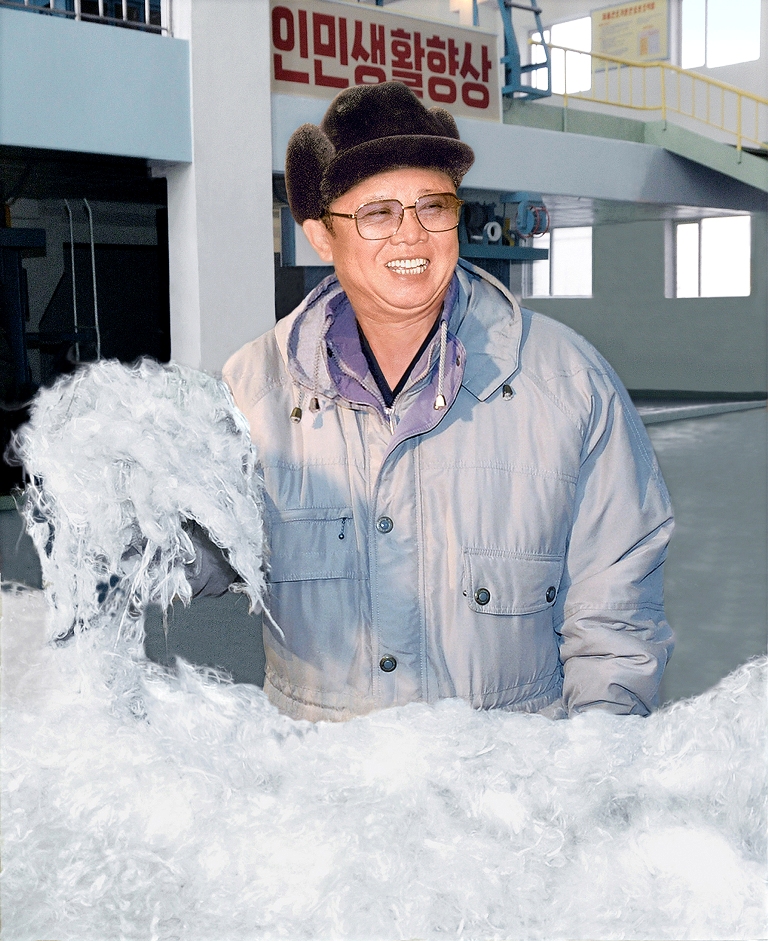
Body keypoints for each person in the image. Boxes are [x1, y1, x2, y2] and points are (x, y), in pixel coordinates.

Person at [212, 81, 674, 722]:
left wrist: (597, 757)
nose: (412, 235)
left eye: (433, 206)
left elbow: (616, 615)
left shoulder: (568, 385)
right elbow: (197, 550)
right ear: (321, 235)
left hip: (509, 775)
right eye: (378, 214)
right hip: (322, 777)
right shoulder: (254, 390)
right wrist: (121, 503)